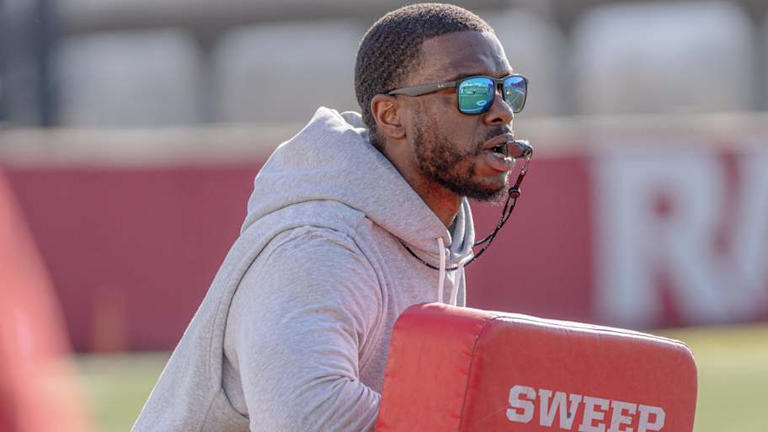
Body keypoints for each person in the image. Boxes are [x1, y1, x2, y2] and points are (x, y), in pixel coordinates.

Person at [133, 3, 529, 431]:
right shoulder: (319, 247)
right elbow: (310, 419)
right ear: (391, 116)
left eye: (508, 89)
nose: (502, 111)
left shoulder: (432, 236)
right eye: (472, 91)